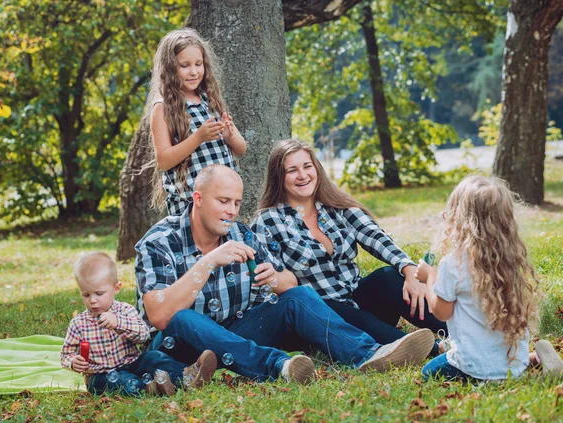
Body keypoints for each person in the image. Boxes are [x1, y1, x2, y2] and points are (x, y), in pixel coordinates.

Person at [134, 164, 436, 385]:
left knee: (299, 295)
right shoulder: (160, 241)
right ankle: (277, 365)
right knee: (186, 318)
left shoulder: (240, 233)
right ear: (198, 199)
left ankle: (367, 354)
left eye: (237, 203)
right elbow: (160, 316)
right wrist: (208, 262)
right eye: (223, 201)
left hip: (232, 332)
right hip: (179, 346)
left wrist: (274, 278)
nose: (231, 211)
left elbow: (290, 284)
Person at [252, 139, 446, 352]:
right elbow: (274, 283)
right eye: (292, 170)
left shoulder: (336, 207)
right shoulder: (268, 221)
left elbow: (375, 237)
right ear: (279, 177)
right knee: (333, 308)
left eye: (307, 166)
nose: (303, 175)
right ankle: (431, 349)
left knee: (388, 277)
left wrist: (409, 270)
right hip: (319, 319)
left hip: (358, 300)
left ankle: (458, 329)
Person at [415, 175, 542, 381]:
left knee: (428, 373)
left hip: (475, 368)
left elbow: (441, 312)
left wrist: (429, 276)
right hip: (513, 365)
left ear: (459, 219)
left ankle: (493, 365)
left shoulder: (453, 263)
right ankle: (528, 360)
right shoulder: (509, 259)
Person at [61, 252, 217, 395]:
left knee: (153, 357)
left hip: (133, 363)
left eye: (99, 293)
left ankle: (186, 376)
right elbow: (66, 354)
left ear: (116, 288)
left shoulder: (125, 311)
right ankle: (151, 388)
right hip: (100, 375)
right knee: (123, 382)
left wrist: (119, 323)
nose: (93, 300)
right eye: (86, 295)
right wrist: (73, 362)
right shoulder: (79, 323)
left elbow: (142, 335)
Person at [148, 28, 247, 216]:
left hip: (222, 201)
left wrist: (230, 135)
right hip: (189, 204)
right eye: (184, 65)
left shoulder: (210, 99)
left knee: (223, 246)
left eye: (198, 64)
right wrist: (199, 137)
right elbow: (163, 160)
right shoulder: (163, 108)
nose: (193, 72)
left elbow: (241, 149)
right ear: (169, 68)